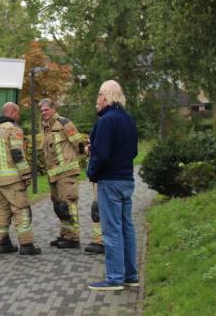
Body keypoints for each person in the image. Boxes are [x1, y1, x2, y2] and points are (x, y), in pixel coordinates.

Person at [86, 80, 139, 291]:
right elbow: (133, 151)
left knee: (111, 230)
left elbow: (103, 154)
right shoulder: (128, 119)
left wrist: (91, 172)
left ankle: (115, 278)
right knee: (127, 228)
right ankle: (130, 275)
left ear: (106, 96)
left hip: (110, 181)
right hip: (127, 179)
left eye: (99, 94)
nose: (97, 99)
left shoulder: (106, 121)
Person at [39, 98, 103, 253]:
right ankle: (65, 234)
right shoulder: (46, 127)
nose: (43, 112)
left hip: (66, 172)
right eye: (41, 110)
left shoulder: (64, 123)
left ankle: (73, 237)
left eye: (46, 109)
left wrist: (77, 160)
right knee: (59, 206)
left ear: (54, 109)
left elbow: (78, 144)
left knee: (68, 204)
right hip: (54, 175)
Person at [0, 102, 41, 256]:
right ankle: (26, 245)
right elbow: (17, 154)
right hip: (13, 179)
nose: (19, 116)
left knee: (2, 210)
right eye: (17, 113)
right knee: (21, 210)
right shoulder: (13, 129)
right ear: (12, 112)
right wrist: (26, 174)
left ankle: (3, 244)